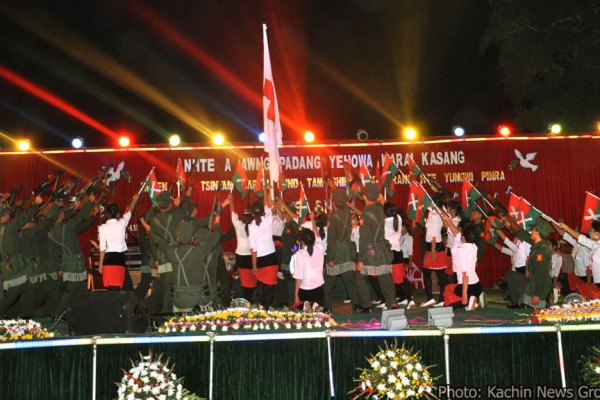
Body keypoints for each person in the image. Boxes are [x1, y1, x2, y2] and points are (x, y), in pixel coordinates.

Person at [355, 183, 397, 311]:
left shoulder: (365, 214)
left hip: (370, 250)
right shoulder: (380, 209)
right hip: (382, 248)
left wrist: (361, 258)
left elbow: (364, 238)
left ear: (365, 197)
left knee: (360, 277)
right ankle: (392, 302)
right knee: (385, 276)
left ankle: (366, 305)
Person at [324, 188, 359, 313]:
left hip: (337, 252)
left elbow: (331, 240)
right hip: (347, 251)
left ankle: (327, 307)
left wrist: (331, 258)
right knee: (351, 282)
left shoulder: (333, 218)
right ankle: (356, 305)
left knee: (329, 283)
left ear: (334, 203)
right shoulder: (347, 214)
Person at [505, 219, 553, 309]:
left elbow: (541, 275)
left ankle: (539, 302)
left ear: (537, 232)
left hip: (537, 287)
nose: (531, 232)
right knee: (510, 275)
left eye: (533, 230)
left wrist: (537, 295)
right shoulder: (539, 244)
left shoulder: (541, 252)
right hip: (532, 282)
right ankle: (520, 302)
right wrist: (509, 225)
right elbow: (525, 236)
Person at [98, 194, 139, 290]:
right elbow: (130, 211)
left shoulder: (102, 227)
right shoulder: (121, 223)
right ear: (117, 214)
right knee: (117, 288)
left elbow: (102, 248)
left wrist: (101, 264)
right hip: (119, 259)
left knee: (111, 288)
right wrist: (134, 200)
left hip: (108, 259)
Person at [441, 213, 481, 310]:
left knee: (448, 291)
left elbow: (465, 276)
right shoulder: (473, 246)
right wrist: (447, 219)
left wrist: (463, 296)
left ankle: (468, 300)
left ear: (463, 238)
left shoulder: (461, 251)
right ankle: (475, 298)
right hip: (477, 286)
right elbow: (456, 233)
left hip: (467, 286)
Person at [249, 198, 279, 309]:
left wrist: (254, 266)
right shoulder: (268, 219)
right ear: (262, 212)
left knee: (261, 287)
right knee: (270, 286)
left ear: (252, 213)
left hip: (260, 259)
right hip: (271, 257)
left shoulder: (251, 226)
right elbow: (269, 208)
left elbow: (253, 249)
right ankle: (270, 308)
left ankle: (261, 308)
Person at [384, 202, 415, 309]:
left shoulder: (385, 223)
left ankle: (408, 299)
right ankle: (404, 300)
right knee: (398, 279)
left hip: (389, 253)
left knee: (393, 280)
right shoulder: (398, 218)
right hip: (398, 253)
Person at [292, 212, 325, 310]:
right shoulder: (320, 248)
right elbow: (315, 232)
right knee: (317, 298)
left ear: (302, 241)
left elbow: (298, 277)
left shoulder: (301, 254)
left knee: (295, 307)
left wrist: (296, 294)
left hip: (305, 291)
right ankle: (315, 305)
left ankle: (306, 304)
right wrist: (313, 220)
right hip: (319, 291)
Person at [421, 196, 447, 308]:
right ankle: (436, 298)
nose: (430, 203)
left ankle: (438, 298)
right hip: (434, 246)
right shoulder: (437, 213)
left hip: (434, 246)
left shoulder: (436, 215)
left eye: (432, 202)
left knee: (436, 274)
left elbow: (434, 233)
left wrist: (432, 251)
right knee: (439, 274)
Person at [559, 220, 600, 288]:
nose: (589, 232)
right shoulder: (594, 245)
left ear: (597, 234)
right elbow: (580, 237)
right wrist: (565, 227)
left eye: (591, 230)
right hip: (597, 282)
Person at [230, 196, 255, 303]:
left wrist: (231, 201)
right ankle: (250, 302)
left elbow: (233, 213)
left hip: (241, 258)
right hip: (251, 257)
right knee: (252, 282)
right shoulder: (254, 226)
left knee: (244, 283)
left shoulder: (238, 225)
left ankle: (245, 302)